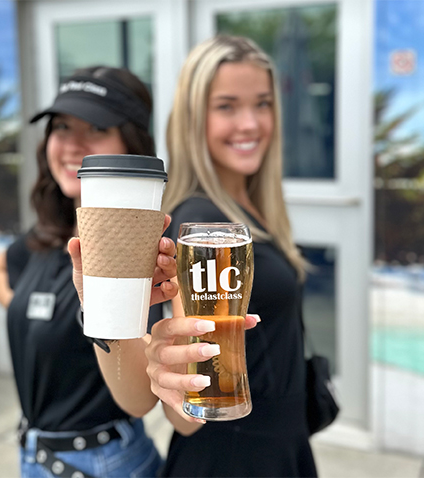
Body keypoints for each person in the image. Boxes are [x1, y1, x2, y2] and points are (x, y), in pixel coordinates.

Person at [70, 35, 317, 477]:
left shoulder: (251, 207)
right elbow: (187, 413)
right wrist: (169, 371)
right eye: (226, 106)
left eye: (262, 104)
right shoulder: (204, 225)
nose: (250, 123)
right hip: (235, 461)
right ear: (192, 120)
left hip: (277, 449)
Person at [0, 66, 177, 478]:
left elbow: (141, 398)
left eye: (94, 128)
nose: (72, 145)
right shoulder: (44, 239)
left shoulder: (147, 252)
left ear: (130, 144)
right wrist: (37, 311)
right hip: (34, 456)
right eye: (61, 127)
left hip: (104, 462)